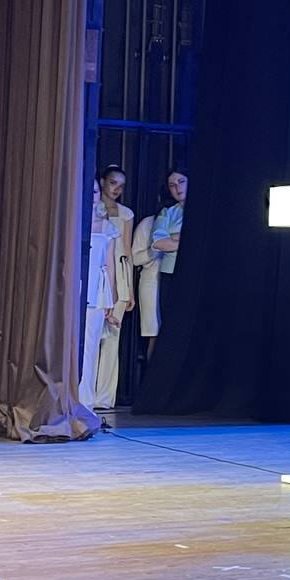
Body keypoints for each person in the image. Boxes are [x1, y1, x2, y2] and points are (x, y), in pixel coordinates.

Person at [94, 165, 135, 411]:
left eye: (121, 185)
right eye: (112, 183)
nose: (117, 189)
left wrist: (129, 288)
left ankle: (104, 396)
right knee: (92, 337)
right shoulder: (93, 207)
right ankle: (84, 392)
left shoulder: (126, 213)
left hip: (119, 274)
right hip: (97, 273)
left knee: (111, 339)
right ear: (102, 182)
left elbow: (127, 251)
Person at [80, 179, 120, 410]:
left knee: (91, 345)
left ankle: (86, 399)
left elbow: (110, 265)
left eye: (95, 191)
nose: (92, 195)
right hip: (76, 287)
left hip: (97, 289)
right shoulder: (73, 223)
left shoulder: (108, 227)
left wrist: (111, 299)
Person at [150, 167, 187, 336]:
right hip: (170, 273)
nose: (177, 188)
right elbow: (159, 242)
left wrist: (174, 237)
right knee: (171, 324)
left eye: (181, 182)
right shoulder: (168, 213)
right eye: (172, 185)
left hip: (197, 273)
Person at [131, 213, 161, 358]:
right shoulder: (148, 223)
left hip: (174, 283)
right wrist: (155, 249)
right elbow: (135, 258)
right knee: (155, 335)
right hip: (151, 283)